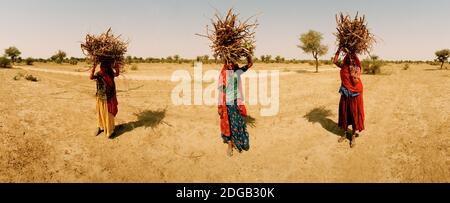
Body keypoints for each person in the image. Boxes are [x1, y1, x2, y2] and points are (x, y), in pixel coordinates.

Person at [218, 56, 253, 156]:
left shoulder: (237, 71)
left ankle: (241, 141)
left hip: (237, 102)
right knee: (229, 123)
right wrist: (220, 106)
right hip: (227, 104)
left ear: (234, 63)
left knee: (239, 122)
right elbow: (221, 91)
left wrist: (248, 55)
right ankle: (230, 144)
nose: (230, 65)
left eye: (231, 63)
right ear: (225, 63)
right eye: (228, 63)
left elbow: (250, 64)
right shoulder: (223, 74)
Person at [333, 47, 365, 148]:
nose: (350, 59)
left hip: (355, 94)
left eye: (352, 58)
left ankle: (353, 136)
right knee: (345, 113)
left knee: (354, 113)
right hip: (345, 92)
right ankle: (345, 133)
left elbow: (355, 80)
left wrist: (353, 70)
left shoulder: (356, 67)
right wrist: (339, 50)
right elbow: (335, 61)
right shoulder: (343, 66)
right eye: (348, 57)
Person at [90, 59, 121, 138]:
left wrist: (117, 67)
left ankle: (110, 130)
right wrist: (93, 68)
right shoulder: (99, 74)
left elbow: (117, 74)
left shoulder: (110, 73)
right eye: (102, 66)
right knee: (100, 113)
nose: (103, 67)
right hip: (101, 97)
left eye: (105, 66)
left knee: (109, 114)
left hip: (109, 97)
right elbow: (91, 77)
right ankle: (101, 127)